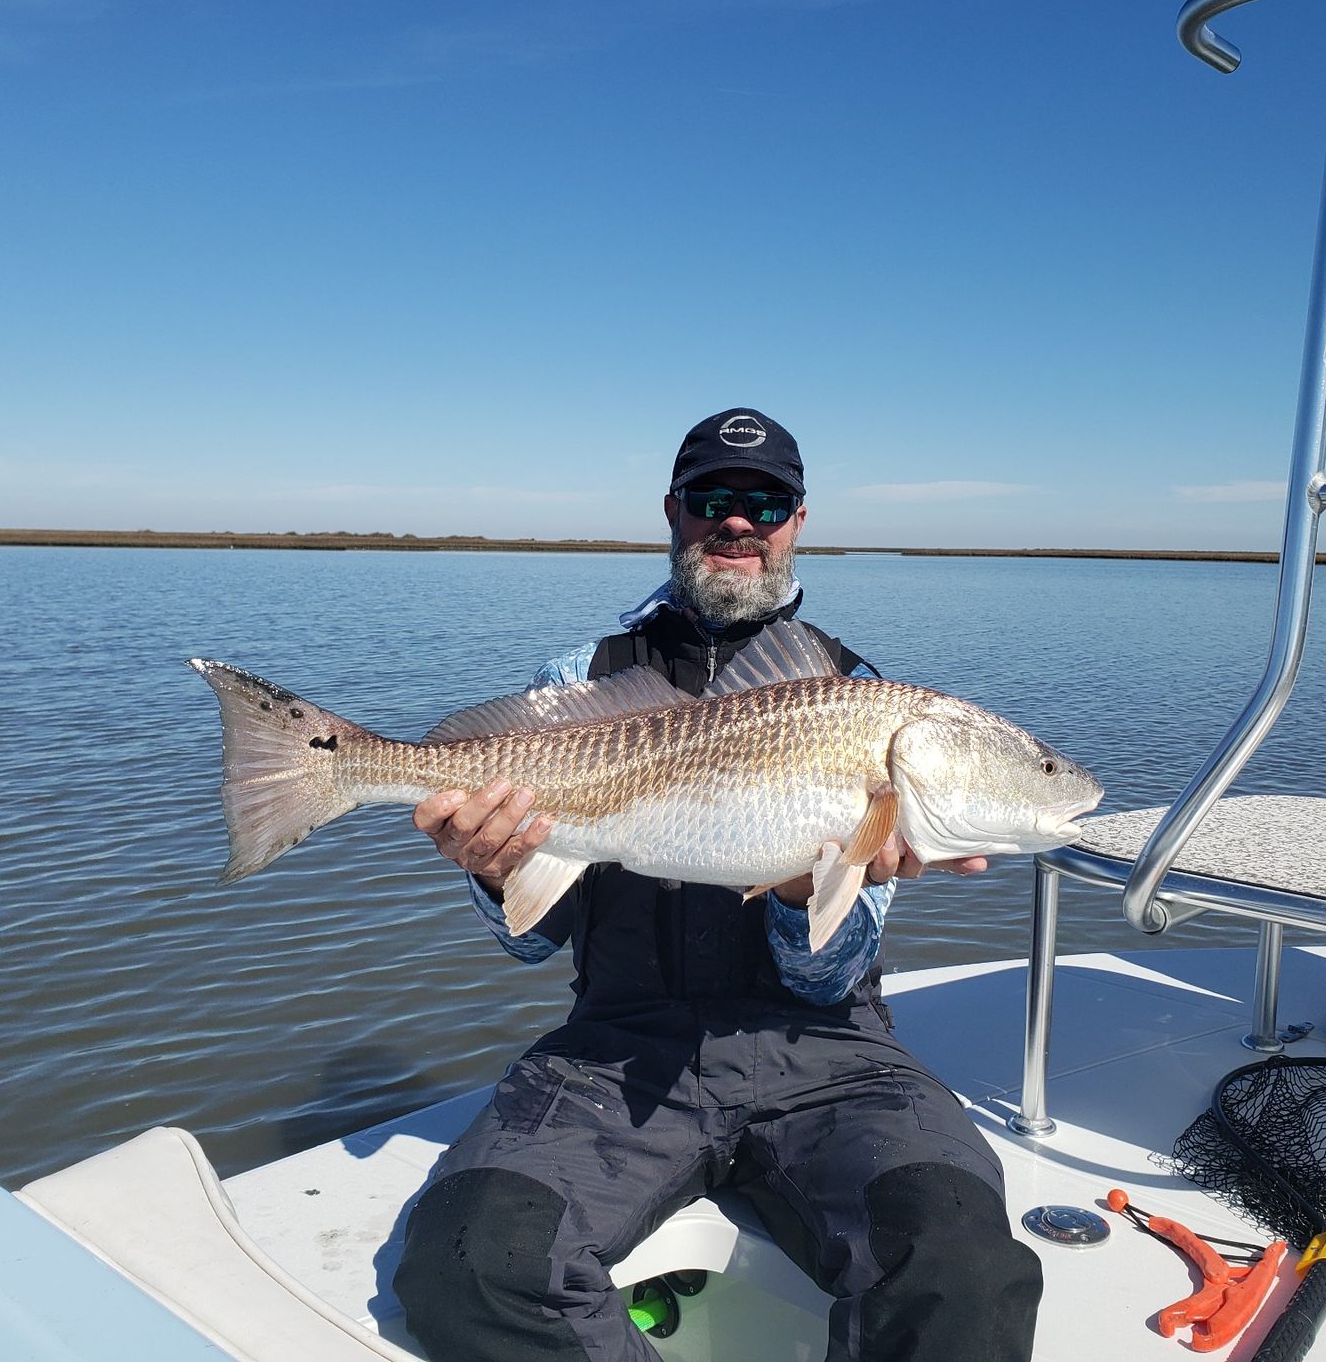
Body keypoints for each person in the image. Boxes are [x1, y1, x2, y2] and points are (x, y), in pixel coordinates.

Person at [392, 409, 1044, 1361]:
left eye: (766, 504)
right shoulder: (579, 679)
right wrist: (495, 872)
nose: (738, 522)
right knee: (468, 1268)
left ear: (797, 521)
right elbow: (530, 941)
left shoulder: (862, 698)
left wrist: (804, 891)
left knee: (964, 1273)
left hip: (831, 1060)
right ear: (674, 511)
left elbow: (830, 978)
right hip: (617, 1053)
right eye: (713, 499)